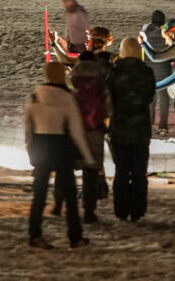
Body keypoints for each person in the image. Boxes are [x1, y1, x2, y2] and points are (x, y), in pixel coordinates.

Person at [25, 60, 93, 250]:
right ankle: (75, 236)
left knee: (38, 195)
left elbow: (28, 129)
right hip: (62, 149)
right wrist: (87, 157)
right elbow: (76, 132)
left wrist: (29, 150)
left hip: (41, 146)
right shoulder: (67, 97)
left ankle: (35, 234)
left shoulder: (34, 96)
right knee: (70, 196)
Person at [108, 37, 155, 222]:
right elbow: (150, 96)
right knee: (138, 171)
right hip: (140, 127)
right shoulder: (146, 72)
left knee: (121, 171)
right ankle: (137, 209)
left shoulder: (115, 72)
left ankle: (121, 209)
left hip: (119, 126)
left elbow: (109, 95)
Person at [65, 50, 110, 224]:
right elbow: (109, 105)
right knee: (91, 172)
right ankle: (89, 211)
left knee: (68, 171)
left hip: (73, 131)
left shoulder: (72, 80)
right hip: (95, 130)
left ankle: (67, 206)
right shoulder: (100, 82)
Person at [140, 19, 175, 90]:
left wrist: (143, 43)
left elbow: (155, 57)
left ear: (172, 35)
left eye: (165, 38)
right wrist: (152, 88)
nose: (166, 43)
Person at [140, 10, 170, 134]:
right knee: (163, 97)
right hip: (164, 69)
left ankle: (150, 122)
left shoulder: (145, 30)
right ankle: (163, 125)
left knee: (151, 97)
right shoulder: (166, 31)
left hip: (149, 69)